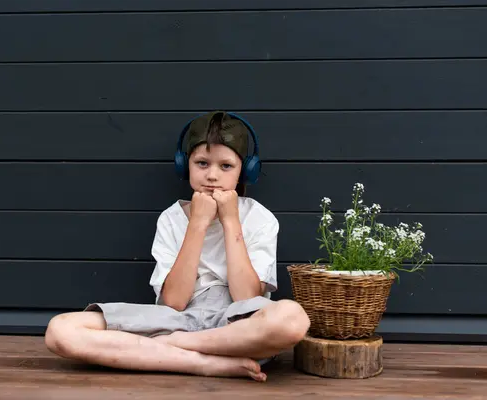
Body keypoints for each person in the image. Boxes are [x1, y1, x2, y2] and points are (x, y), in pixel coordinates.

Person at [44, 111, 310, 382]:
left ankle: (170, 349)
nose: (212, 176)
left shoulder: (260, 217)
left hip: (235, 324)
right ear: (185, 166)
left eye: (226, 166)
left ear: (246, 170)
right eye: (202, 163)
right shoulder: (171, 218)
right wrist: (197, 224)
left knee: (292, 319)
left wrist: (230, 221)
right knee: (60, 330)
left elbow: (245, 298)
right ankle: (202, 363)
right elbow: (174, 302)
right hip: (176, 319)